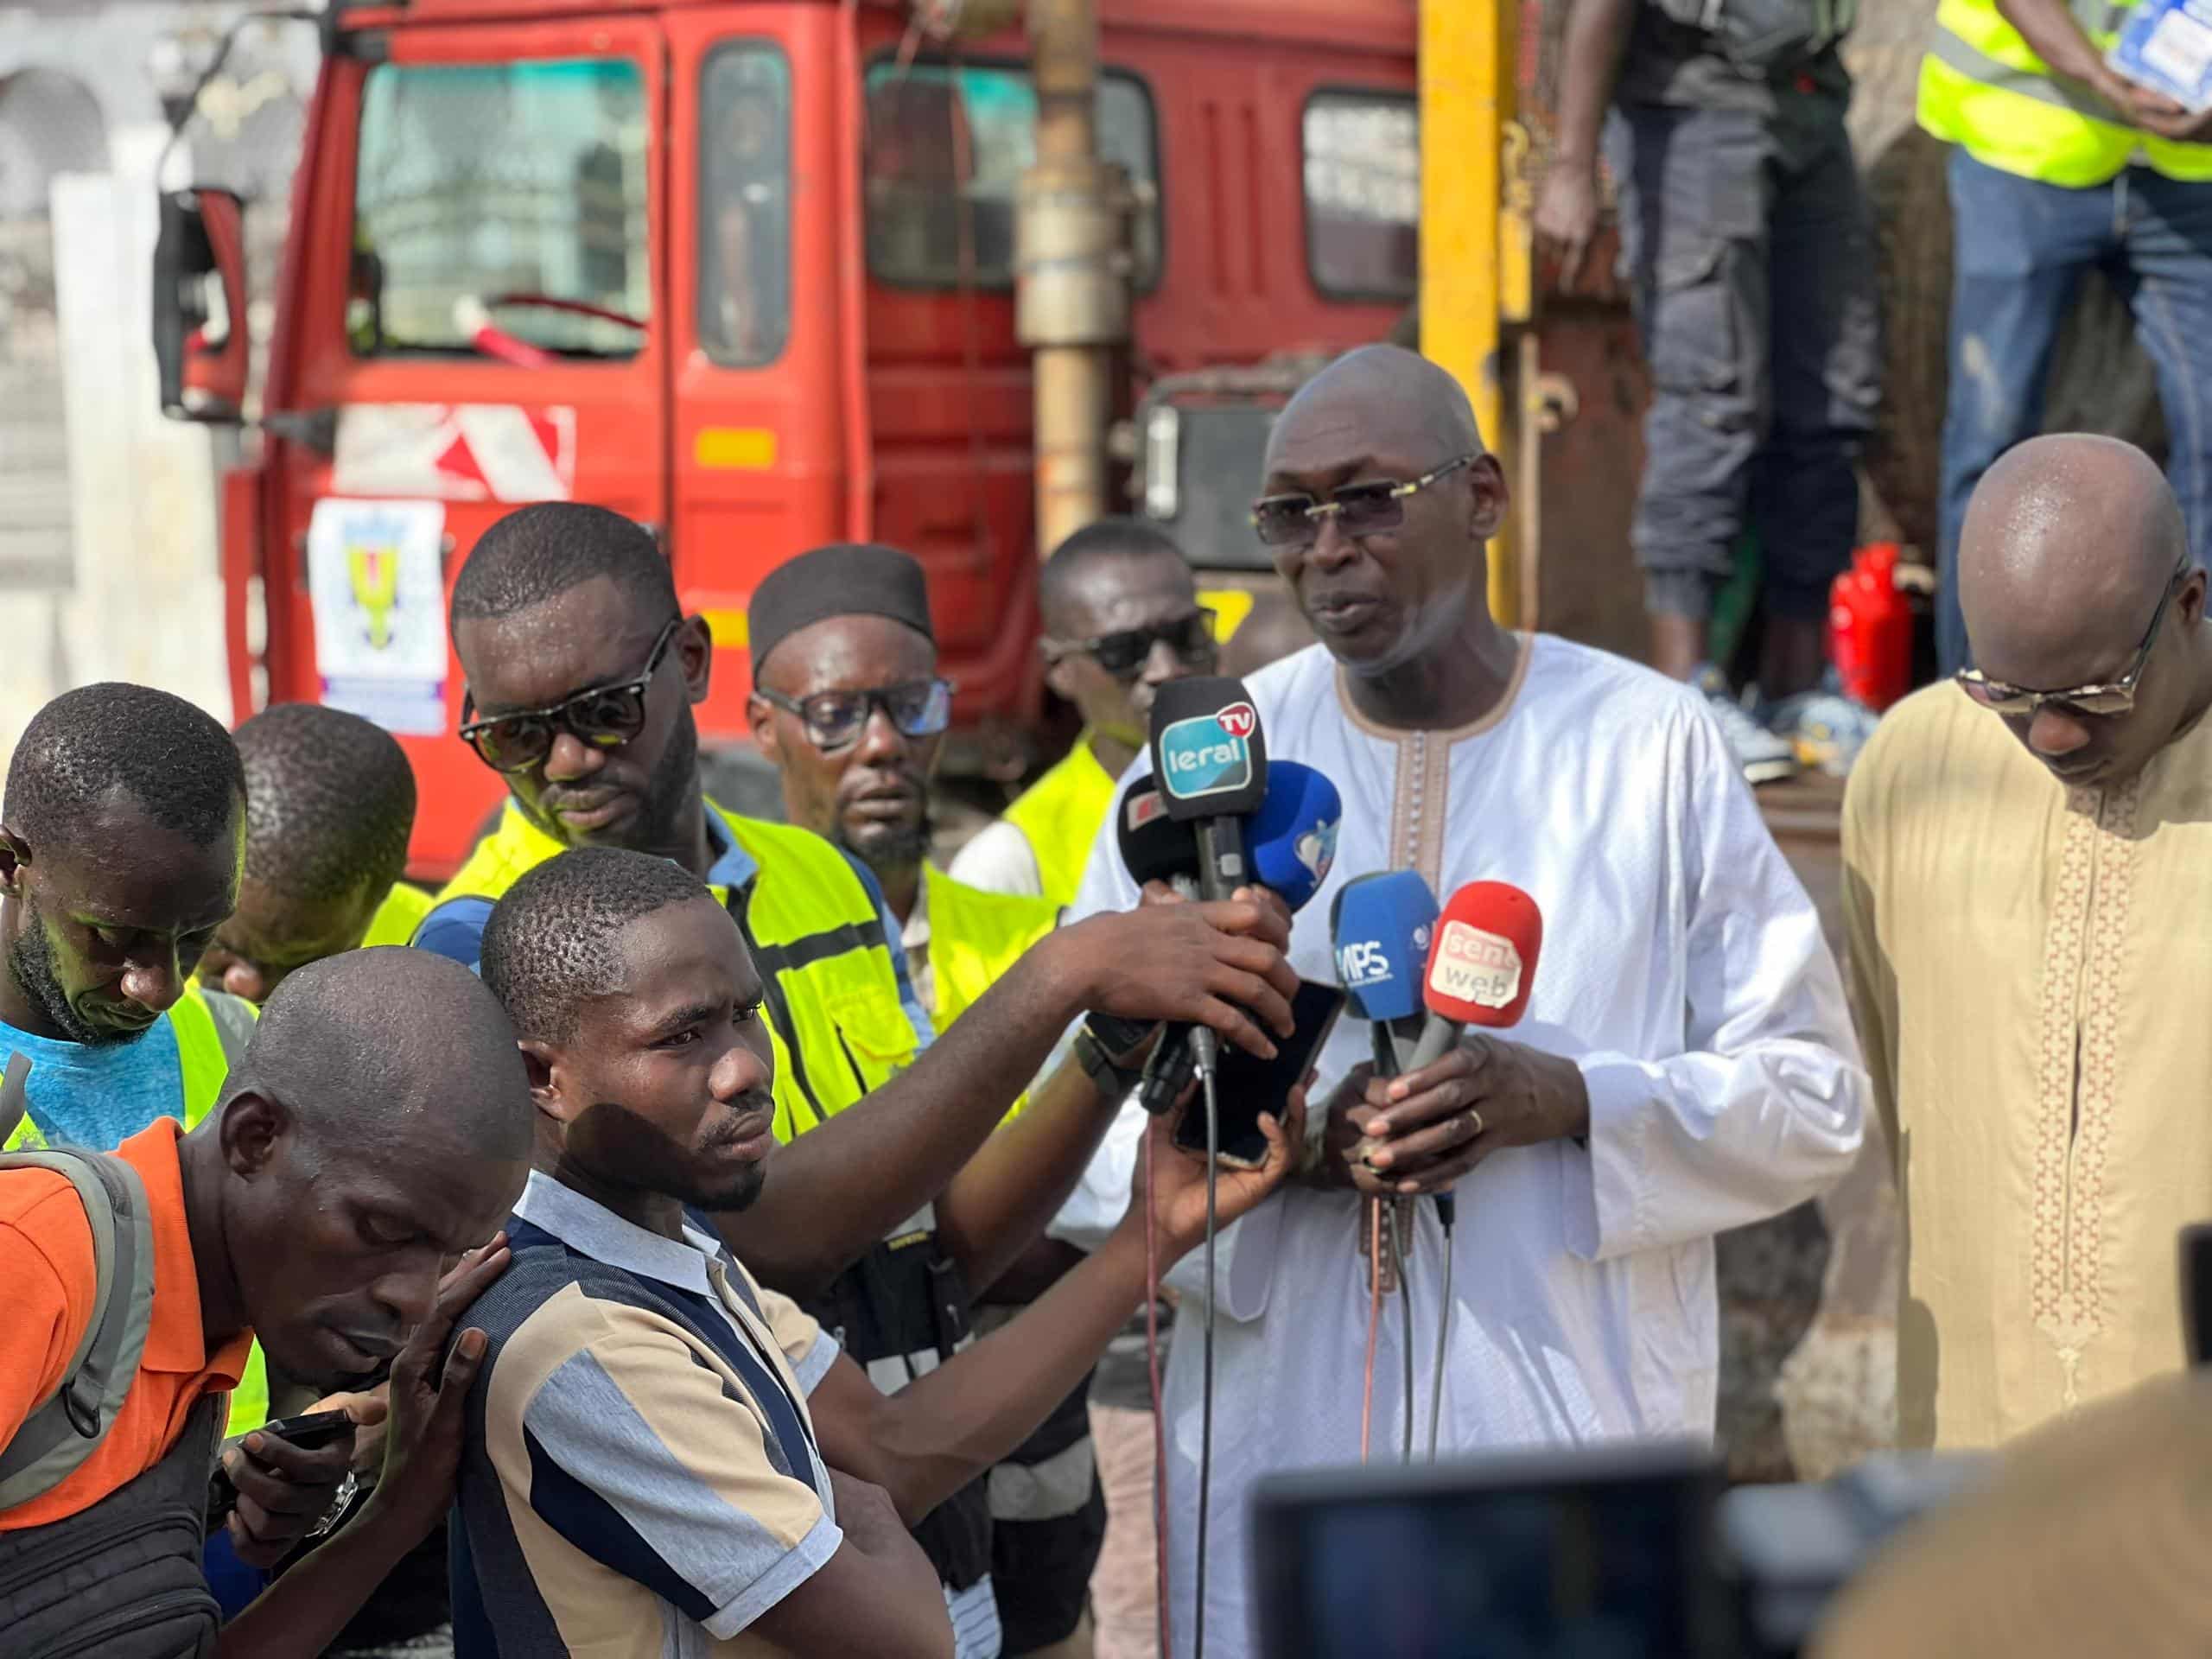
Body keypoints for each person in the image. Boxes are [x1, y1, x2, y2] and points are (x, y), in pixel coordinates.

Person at [1058, 346, 1869, 1656]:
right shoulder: (1208, 773)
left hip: (1568, 1446)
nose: (1328, 548)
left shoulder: (1648, 748)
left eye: (1371, 499)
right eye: (1292, 515)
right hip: (1285, 1449)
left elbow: (1816, 1099)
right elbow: (1084, 1136)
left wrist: (1573, 1102)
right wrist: (1288, 1148)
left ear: (1483, 497)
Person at [417, 501, 1300, 1655]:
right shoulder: (478, 944)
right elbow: (775, 1234)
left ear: (686, 661)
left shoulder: (821, 875)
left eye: (599, 712)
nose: (566, 762)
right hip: (797, 1571)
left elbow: (930, 1244)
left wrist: (1121, 1033)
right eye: (516, 736)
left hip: (926, 1496)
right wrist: (1060, 976)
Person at [458, 847, 1300, 1659]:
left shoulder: (673, 1248)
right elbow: (906, 1633)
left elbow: (893, 1448)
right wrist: (848, 1505)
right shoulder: (583, 1337)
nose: (745, 1069)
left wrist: (1147, 1238)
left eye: (746, 1014)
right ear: (541, 1077)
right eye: (682, 1038)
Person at [748, 542, 1095, 1659]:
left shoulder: (1017, 922)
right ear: (765, 728)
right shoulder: (714, 950)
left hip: (1028, 1396)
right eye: (839, 714)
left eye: (910, 704)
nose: (884, 744)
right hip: (845, 1435)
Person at [1841, 434, 2212, 1449]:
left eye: (2092, 694)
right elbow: (1892, 1069)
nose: (2049, 737)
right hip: (1971, 1481)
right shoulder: (1912, 769)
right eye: (2005, 693)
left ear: (2186, 607)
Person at [0, 948, 531, 1656]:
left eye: (448, 1255)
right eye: (382, 1229)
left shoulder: (204, 1327)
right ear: (256, 1138)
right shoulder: (37, 1257)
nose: (414, 1300)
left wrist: (397, 1507)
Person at [1535, 0, 1880, 780]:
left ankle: (1796, 689)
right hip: (1693, 110)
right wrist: (1571, 165)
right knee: (1711, 399)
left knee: (1832, 400)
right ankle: (1681, 695)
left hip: (1809, 102)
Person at [1918, 0, 2212, 677]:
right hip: (2026, 145)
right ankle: (1973, 704)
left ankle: (2190, 707)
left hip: (2189, 169)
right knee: (1987, 446)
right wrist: (2110, 85)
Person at [0, 683, 257, 1154]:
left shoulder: (251, 1048)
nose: (162, 992)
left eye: (198, 935)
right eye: (115, 936)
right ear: (9, 865)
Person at [950, 518, 1219, 907]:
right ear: (1057, 669)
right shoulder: (1010, 862)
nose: (1166, 668)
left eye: (1186, 635)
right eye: (1123, 651)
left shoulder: (1282, 784)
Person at [198, 703, 430, 1005]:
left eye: (295, 960)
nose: (244, 985)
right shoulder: (132, 965)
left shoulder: (435, 957)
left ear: (381, 892)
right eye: (217, 941)